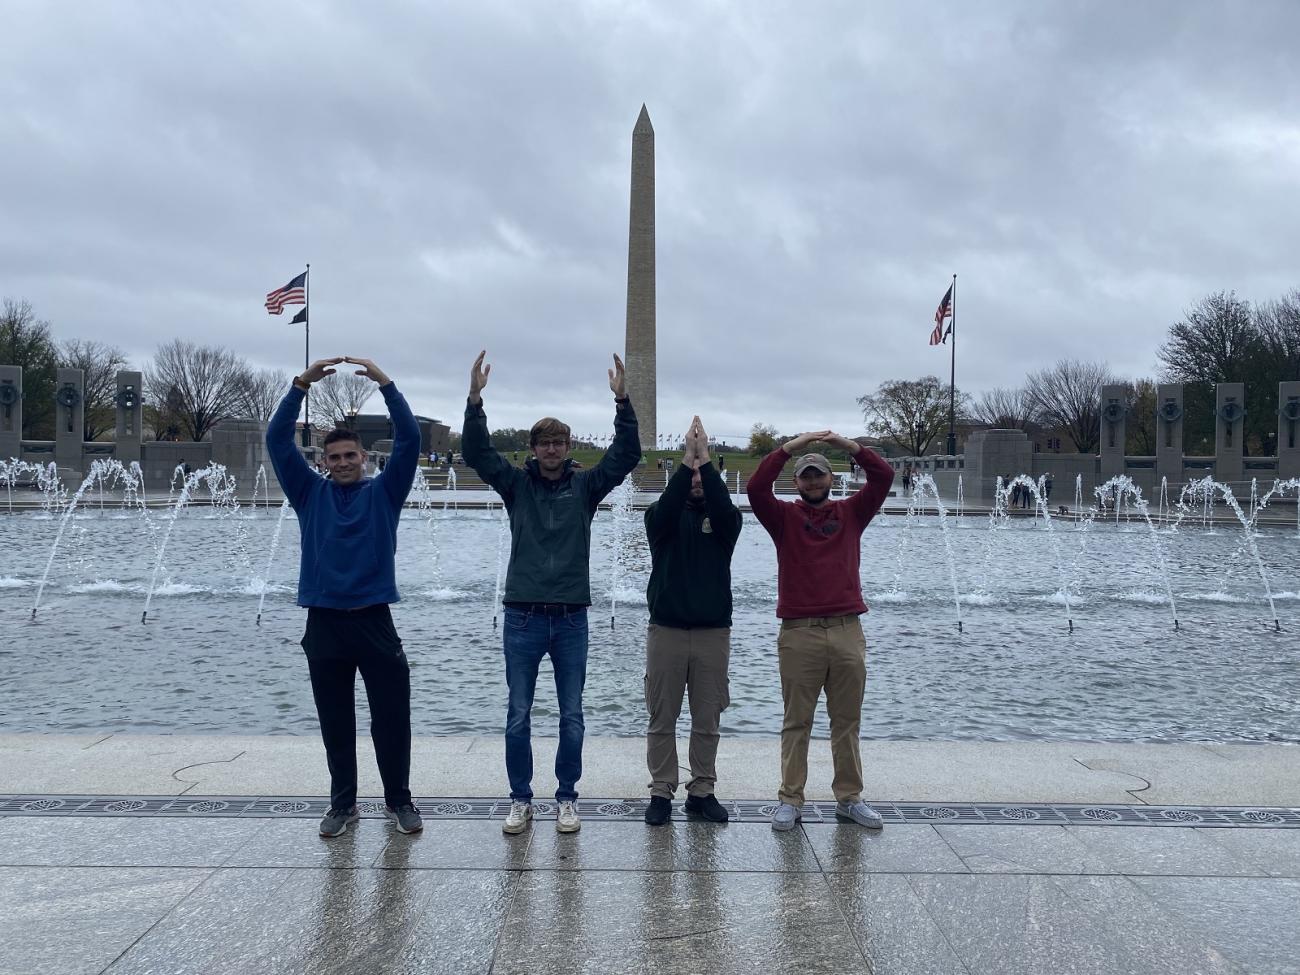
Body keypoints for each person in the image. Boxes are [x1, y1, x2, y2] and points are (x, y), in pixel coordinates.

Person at [462, 349, 640, 835]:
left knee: (572, 716)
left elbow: (627, 456)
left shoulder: (585, 489)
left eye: (560, 442)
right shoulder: (515, 487)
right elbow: (477, 454)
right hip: (521, 616)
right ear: (534, 447)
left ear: (567, 446)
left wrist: (622, 401)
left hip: (569, 619)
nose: (553, 449)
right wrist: (475, 401)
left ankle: (566, 797)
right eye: (545, 442)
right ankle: (520, 798)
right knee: (518, 714)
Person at [266, 355, 423, 838]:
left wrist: (386, 385)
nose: (341, 463)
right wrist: (299, 386)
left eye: (349, 456)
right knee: (336, 720)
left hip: (375, 619)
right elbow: (276, 440)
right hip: (325, 624)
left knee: (391, 718)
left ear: (363, 458)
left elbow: (411, 439)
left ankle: (400, 801)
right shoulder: (309, 494)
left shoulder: (385, 493)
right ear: (323, 462)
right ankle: (343, 804)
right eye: (333, 458)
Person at [746, 430, 895, 831]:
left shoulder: (852, 513)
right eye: (805, 476)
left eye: (819, 475)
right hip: (799, 631)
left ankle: (849, 797)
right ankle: (790, 799)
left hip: (847, 628)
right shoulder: (783, 518)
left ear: (831, 479)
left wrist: (849, 447)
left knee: (847, 720)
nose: (813, 481)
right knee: (797, 721)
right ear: (796, 482)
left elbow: (883, 476)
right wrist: (791, 447)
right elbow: (756, 488)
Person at [642, 416, 743, 826]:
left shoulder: (725, 523)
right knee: (661, 718)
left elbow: (722, 508)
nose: (697, 480)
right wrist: (688, 462)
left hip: (712, 632)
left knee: (707, 719)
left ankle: (702, 789)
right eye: (692, 476)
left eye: (703, 474)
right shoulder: (660, 518)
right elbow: (666, 510)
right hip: (666, 630)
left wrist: (706, 463)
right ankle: (661, 791)